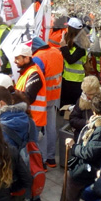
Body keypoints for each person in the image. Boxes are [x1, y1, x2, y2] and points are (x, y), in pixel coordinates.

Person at [55, 93, 101, 201]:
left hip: (94, 165)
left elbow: (90, 153)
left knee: (72, 177)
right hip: (93, 162)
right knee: (71, 174)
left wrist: (73, 146)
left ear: (94, 110)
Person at [32, 36, 64, 169]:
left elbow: (36, 79)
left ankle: (42, 160)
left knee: (41, 129)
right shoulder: (56, 52)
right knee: (51, 126)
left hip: (42, 98)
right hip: (55, 94)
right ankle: (51, 158)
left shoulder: (37, 58)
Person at [12, 45, 47, 135]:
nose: (14, 61)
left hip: (33, 120)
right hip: (28, 118)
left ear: (27, 58)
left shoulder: (34, 73)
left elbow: (28, 98)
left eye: (17, 58)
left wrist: (11, 91)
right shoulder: (27, 71)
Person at [67, 76, 101, 141]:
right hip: (82, 136)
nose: (87, 97)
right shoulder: (82, 100)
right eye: (86, 94)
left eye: (91, 94)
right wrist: (86, 122)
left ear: (97, 90)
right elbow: (72, 120)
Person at [60, 17, 88, 107]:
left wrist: (63, 47)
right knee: (65, 107)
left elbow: (71, 60)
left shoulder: (81, 46)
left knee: (74, 106)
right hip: (66, 79)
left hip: (77, 81)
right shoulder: (70, 43)